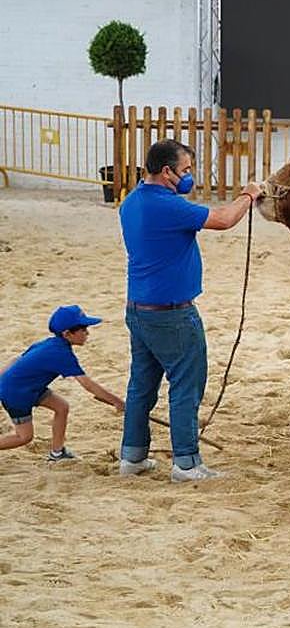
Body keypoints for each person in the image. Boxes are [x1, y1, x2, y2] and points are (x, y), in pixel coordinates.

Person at [118, 139, 261, 482]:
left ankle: (132, 457)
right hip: (172, 313)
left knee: (141, 386)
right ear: (166, 171)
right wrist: (249, 194)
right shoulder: (168, 206)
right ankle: (186, 463)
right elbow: (224, 220)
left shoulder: (132, 200)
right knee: (186, 385)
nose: (189, 176)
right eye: (185, 170)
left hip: (139, 308)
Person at [0, 305, 125, 461]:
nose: (87, 333)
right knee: (24, 437)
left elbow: (16, 360)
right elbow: (88, 385)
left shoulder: (49, 343)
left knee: (61, 407)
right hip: (17, 395)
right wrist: (117, 402)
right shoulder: (62, 354)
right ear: (67, 334)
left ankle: (57, 453)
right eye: (83, 329)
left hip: (30, 388)